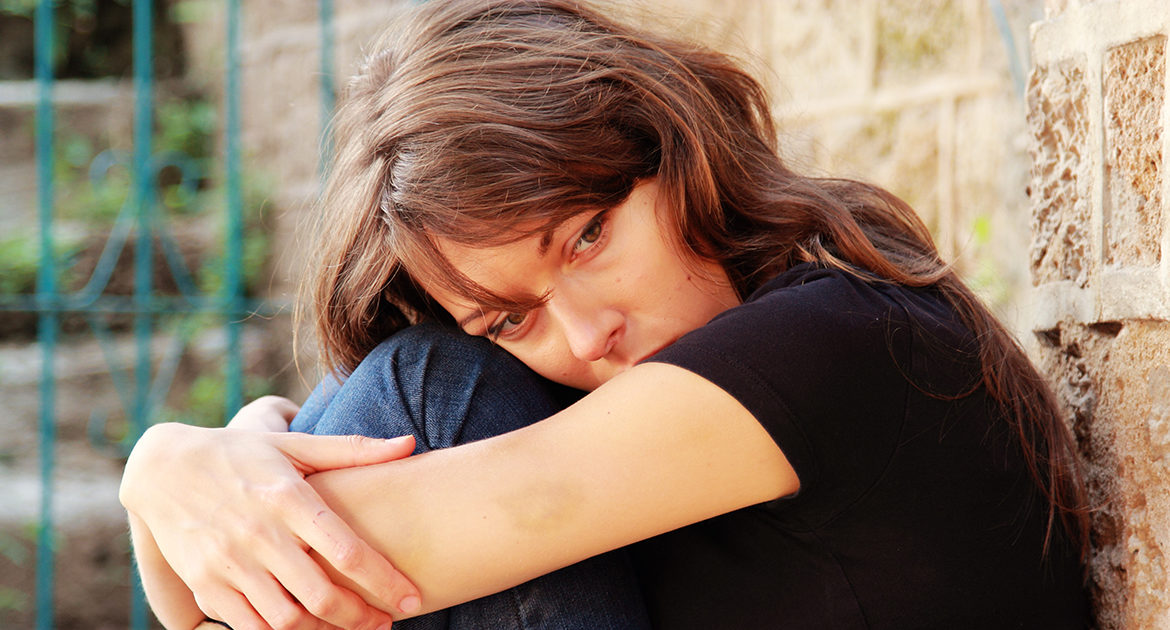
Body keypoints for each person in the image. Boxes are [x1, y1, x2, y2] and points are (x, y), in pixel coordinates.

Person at [119, 0, 1092, 628]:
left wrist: (174, 470)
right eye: (511, 319)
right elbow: (220, 583)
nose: (589, 337)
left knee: (428, 383)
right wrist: (183, 473)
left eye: (586, 236)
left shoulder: (837, 338)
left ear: (674, 146)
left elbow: (257, 580)